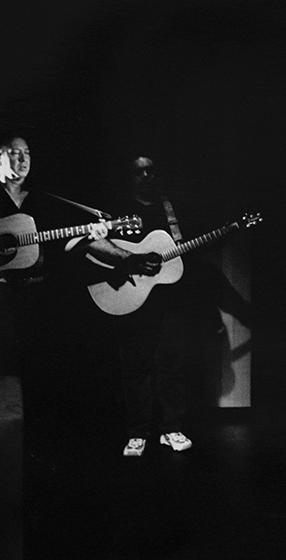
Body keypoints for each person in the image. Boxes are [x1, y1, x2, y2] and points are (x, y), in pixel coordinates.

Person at [0, 132, 160, 429]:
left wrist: (92, 237)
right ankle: (4, 452)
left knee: (42, 376)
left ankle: (40, 445)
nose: (23, 160)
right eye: (14, 152)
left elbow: (68, 246)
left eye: (27, 154)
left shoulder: (44, 201)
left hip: (39, 297)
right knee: (0, 377)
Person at [105, 155, 195, 457]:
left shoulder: (169, 208)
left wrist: (230, 229)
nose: (146, 176)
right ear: (128, 177)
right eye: (138, 171)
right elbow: (96, 247)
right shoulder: (119, 210)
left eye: (150, 170)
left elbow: (185, 247)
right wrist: (129, 261)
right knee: (135, 369)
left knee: (171, 365)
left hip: (169, 300)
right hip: (130, 297)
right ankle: (138, 432)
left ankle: (171, 428)